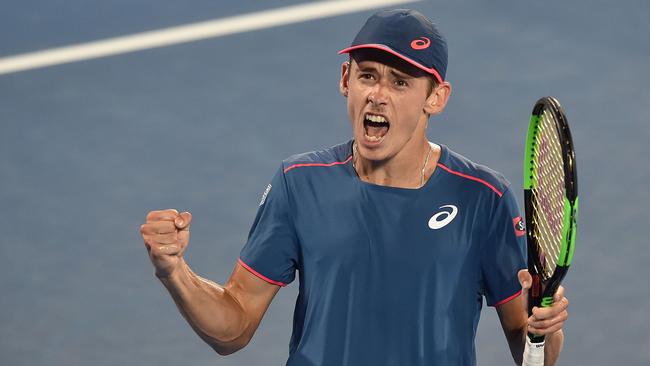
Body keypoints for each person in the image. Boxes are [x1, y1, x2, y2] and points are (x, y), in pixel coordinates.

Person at [139, 9, 569, 366]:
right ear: (346, 79)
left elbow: (529, 348)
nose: (378, 95)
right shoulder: (300, 183)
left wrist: (544, 332)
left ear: (435, 97)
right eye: (368, 76)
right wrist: (175, 271)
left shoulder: (483, 198)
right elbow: (233, 329)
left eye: (400, 82)